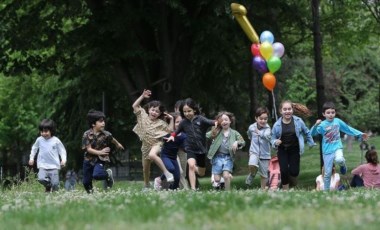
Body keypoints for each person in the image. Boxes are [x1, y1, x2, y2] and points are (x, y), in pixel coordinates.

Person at [310, 101, 368, 191]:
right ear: (323, 114)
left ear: (335, 113)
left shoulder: (337, 122)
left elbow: (348, 129)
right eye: (328, 113)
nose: (330, 115)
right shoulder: (321, 125)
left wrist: (360, 134)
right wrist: (315, 125)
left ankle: (342, 165)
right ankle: (326, 192)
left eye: (332, 112)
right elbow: (311, 134)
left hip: (337, 147)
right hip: (327, 151)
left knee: (339, 159)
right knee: (327, 173)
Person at [167, 98, 216, 190]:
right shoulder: (183, 122)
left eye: (189, 111)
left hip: (201, 150)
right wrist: (172, 136)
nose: (187, 113)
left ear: (194, 109)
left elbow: (211, 122)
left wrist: (217, 122)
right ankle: (193, 189)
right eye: (184, 112)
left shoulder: (200, 119)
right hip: (190, 148)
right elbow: (176, 131)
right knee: (191, 165)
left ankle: (197, 170)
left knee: (201, 173)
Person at [132, 89, 174, 190]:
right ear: (149, 109)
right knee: (145, 169)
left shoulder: (161, 123)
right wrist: (142, 96)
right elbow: (134, 106)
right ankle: (146, 185)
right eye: (153, 110)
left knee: (152, 154)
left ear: (160, 114)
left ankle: (167, 173)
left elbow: (170, 130)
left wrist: (171, 119)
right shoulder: (142, 115)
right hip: (145, 147)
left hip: (157, 144)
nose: (154, 112)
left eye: (157, 111)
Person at [271, 101, 316, 190]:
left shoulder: (298, 121)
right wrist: (275, 141)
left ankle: (290, 181)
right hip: (282, 150)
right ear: (281, 111)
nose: (287, 111)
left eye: (289, 109)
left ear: (292, 110)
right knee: (283, 170)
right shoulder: (277, 125)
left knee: (294, 172)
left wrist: (311, 142)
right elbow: (272, 138)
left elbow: (306, 132)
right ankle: (285, 190)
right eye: (285, 109)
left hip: (295, 150)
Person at [82, 109, 124, 193]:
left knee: (97, 175)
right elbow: (88, 149)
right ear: (93, 124)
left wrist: (118, 144)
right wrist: (100, 152)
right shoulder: (86, 134)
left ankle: (108, 175)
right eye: (100, 121)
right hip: (88, 159)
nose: (103, 123)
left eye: (104, 121)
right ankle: (91, 195)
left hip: (100, 159)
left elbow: (112, 139)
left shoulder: (106, 134)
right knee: (86, 182)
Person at [206, 111, 245, 191]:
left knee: (226, 176)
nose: (224, 122)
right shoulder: (217, 131)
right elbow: (207, 135)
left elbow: (243, 142)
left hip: (228, 157)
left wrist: (237, 142)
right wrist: (215, 127)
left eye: (226, 119)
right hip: (217, 157)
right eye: (222, 120)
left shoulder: (234, 133)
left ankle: (228, 191)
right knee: (217, 179)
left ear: (230, 121)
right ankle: (226, 176)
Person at [29, 119, 67, 192]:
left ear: (51, 131)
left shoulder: (56, 140)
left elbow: (62, 151)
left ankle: (55, 197)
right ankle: (48, 186)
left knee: (55, 184)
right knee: (41, 179)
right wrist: (31, 158)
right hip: (43, 165)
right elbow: (34, 148)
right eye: (42, 131)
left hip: (54, 166)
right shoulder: (39, 140)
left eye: (46, 131)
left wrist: (63, 160)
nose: (43, 133)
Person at [153, 112, 187, 190]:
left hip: (174, 157)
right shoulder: (168, 132)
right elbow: (169, 130)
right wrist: (171, 119)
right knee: (171, 169)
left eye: (181, 122)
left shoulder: (183, 135)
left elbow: (185, 147)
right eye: (177, 122)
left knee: (177, 177)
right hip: (165, 156)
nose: (180, 124)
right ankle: (159, 179)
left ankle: (172, 190)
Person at [245, 107, 272, 190]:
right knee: (252, 164)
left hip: (265, 155)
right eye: (261, 119)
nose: (263, 121)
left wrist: (259, 133)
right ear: (256, 118)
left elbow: (268, 137)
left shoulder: (268, 128)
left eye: (265, 119)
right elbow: (249, 134)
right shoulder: (251, 127)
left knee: (264, 175)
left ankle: (263, 190)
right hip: (254, 151)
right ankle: (252, 174)